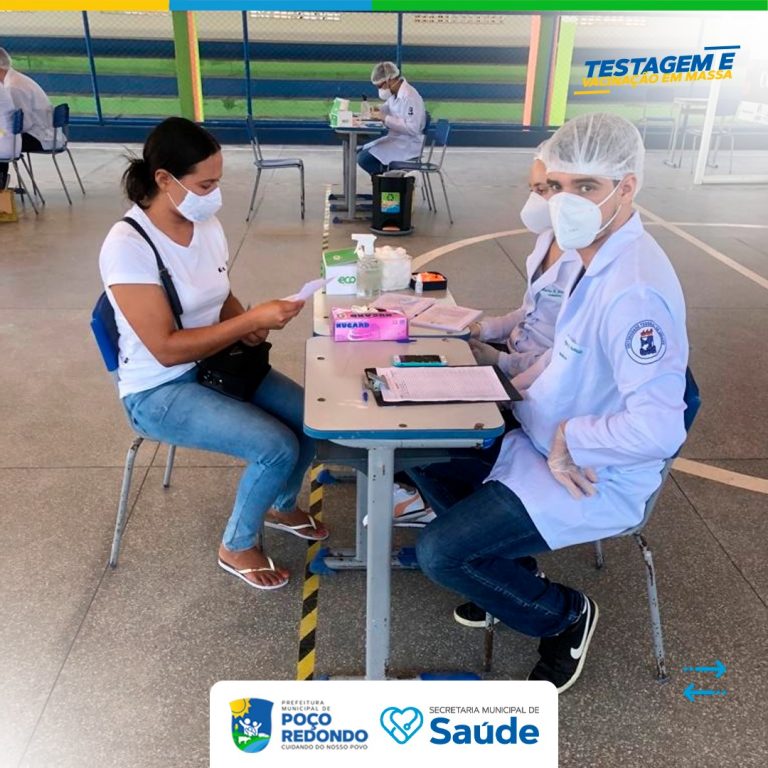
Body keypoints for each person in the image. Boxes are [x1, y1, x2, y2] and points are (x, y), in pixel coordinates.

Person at [415, 112, 689, 693]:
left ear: (627, 187)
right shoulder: (592, 259)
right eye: (556, 186)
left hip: (591, 473)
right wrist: (498, 370)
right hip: (539, 437)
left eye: (586, 187)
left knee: (441, 555)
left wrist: (570, 440)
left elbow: (659, 429)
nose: (565, 203)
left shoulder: (633, 292)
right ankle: (504, 571)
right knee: (422, 451)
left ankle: (563, 616)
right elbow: (565, 357)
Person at [99, 117, 328, 592]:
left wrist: (246, 324)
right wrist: (248, 322)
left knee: (312, 419)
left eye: (217, 182)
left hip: (217, 363)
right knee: (276, 447)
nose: (214, 194)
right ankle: (237, 545)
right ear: (164, 179)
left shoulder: (205, 224)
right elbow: (164, 349)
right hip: (158, 390)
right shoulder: (128, 246)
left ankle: (281, 504)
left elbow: (219, 294)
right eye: (205, 185)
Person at [357, 61, 426, 178]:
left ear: (389, 80)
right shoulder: (395, 94)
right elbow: (388, 108)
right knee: (360, 152)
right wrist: (377, 110)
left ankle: (394, 183)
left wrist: (385, 118)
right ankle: (384, 184)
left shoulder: (409, 97)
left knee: (365, 160)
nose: (379, 90)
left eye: (380, 86)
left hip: (407, 145)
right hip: (397, 140)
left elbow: (412, 128)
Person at [0, 47, 55, 190]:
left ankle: (1, 185)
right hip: (41, 132)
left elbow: (20, 125)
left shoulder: (13, 87)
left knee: (4, 140)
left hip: (38, 136)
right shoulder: (16, 79)